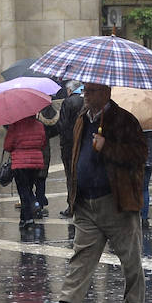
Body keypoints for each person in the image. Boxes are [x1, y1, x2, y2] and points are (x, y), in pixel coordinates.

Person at [43, 82, 148, 303]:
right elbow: (75, 152)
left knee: (129, 256)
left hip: (115, 200)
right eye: (85, 91)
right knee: (82, 254)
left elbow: (140, 155)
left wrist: (108, 147)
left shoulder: (123, 119)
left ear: (106, 93)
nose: (85, 95)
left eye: (91, 91)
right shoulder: (83, 117)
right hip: (86, 200)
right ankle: (69, 301)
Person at [4, 115, 48, 227]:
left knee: (23, 191)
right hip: (36, 163)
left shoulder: (14, 126)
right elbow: (43, 143)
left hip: (20, 163)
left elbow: (7, 146)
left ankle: (28, 219)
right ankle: (23, 218)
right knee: (28, 189)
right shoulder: (39, 125)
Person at [54, 87, 84, 217]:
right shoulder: (88, 102)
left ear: (70, 89)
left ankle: (72, 206)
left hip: (69, 146)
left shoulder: (68, 102)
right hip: (84, 145)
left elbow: (63, 125)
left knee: (71, 176)